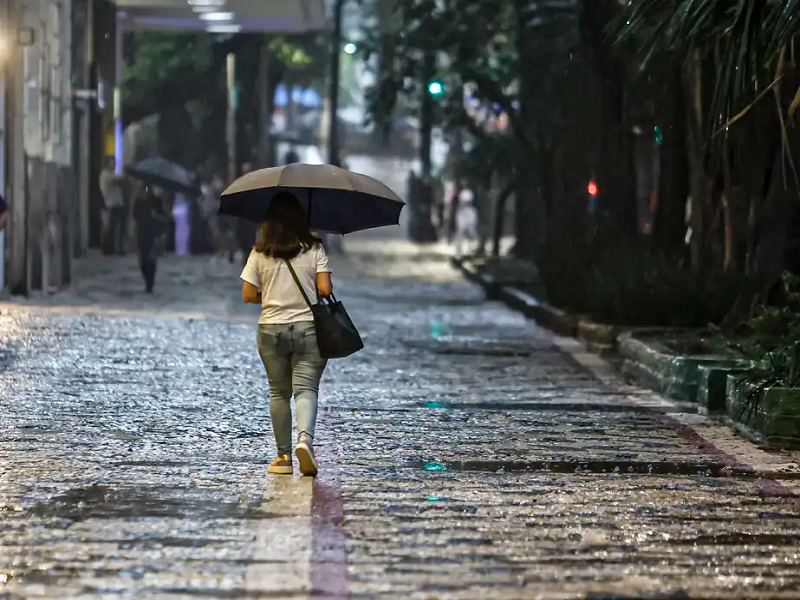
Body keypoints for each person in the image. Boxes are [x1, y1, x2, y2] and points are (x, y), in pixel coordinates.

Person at [240, 192, 333, 477]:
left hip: (270, 328)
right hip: (308, 327)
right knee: (306, 389)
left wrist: (270, 295)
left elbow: (247, 294)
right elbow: (325, 290)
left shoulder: (259, 251)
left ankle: (282, 457)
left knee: (278, 392)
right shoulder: (314, 248)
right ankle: (304, 441)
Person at [133, 186, 168, 293]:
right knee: (143, 259)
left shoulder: (156, 201)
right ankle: (146, 279)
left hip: (153, 233)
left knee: (151, 259)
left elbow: (163, 215)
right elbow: (135, 215)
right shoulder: (138, 201)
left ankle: (150, 283)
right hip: (142, 233)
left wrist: (156, 217)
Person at [99, 156, 126, 255]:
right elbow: (120, 177)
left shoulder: (110, 175)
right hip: (112, 204)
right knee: (111, 228)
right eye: (112, 163)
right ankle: (108, 249)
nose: (113, 165)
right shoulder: (106, 175)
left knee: (115, 228)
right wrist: (124, 170)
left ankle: (116, 249)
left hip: (117, 204)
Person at [454, 186, 479, 257]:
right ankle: (459, 250)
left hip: (469, 214)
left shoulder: (472, 211)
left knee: (472, 232)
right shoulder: (460, 211)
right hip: (462, 214)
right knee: (460, 232)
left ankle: (473, 249)